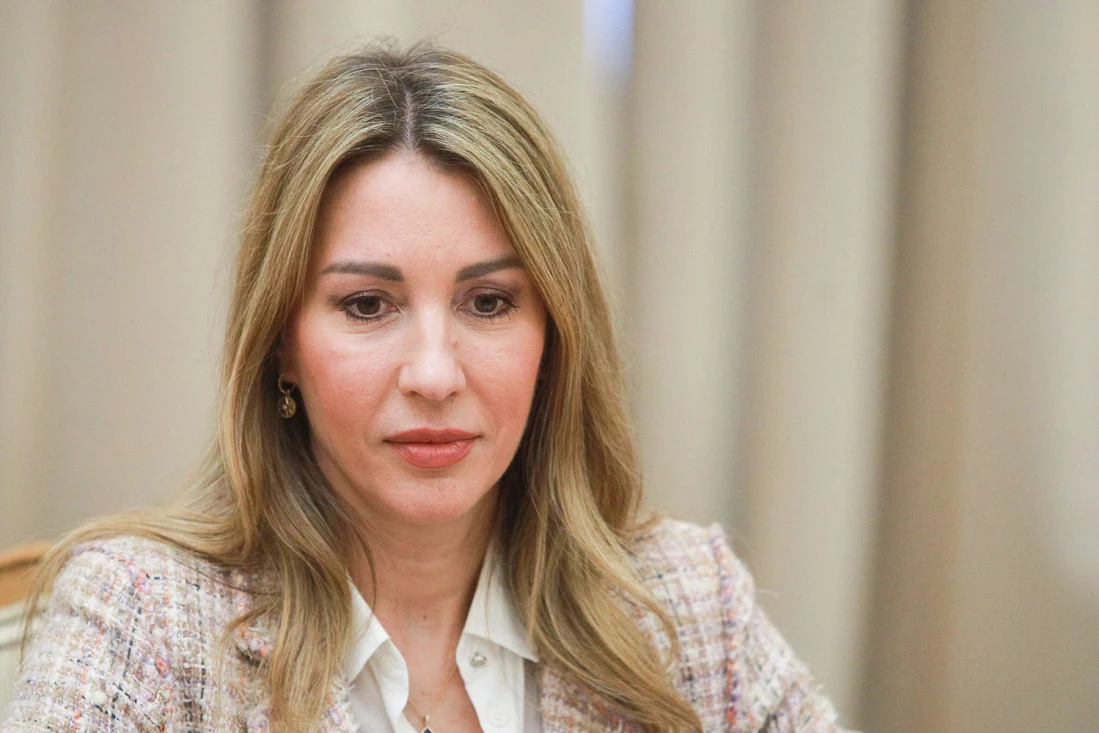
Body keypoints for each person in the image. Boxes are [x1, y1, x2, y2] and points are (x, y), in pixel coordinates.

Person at [2, 43, 852, 732]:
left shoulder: (688, 601)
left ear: (553, 337)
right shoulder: (142, 615)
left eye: (489, 302)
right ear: (280, 345)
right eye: (367, 305)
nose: (435, 375)